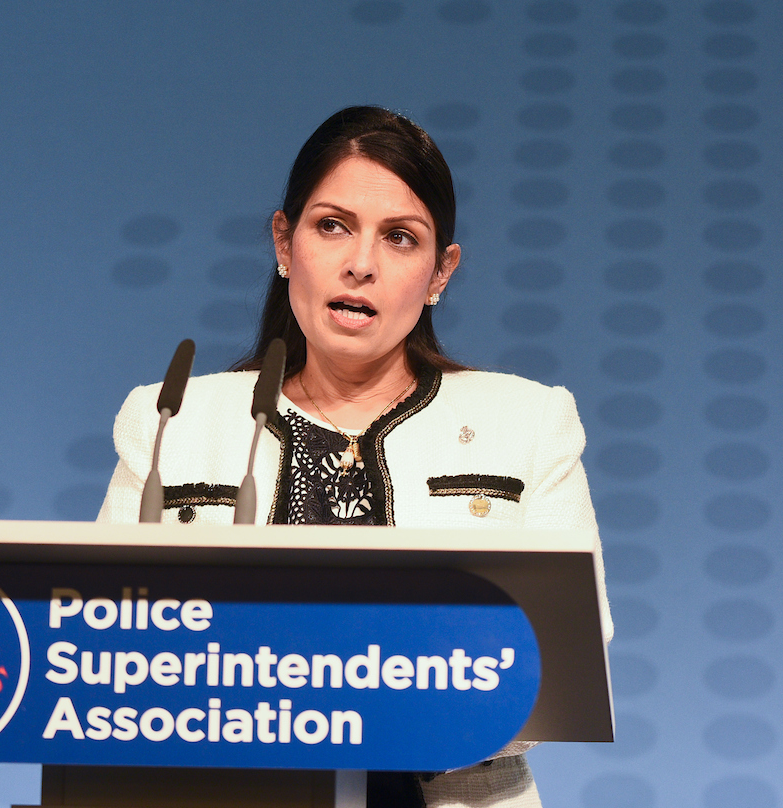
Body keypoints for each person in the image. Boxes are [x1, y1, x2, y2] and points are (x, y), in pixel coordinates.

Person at [99, 106, 612, 808]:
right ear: (285, 242)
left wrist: (337, 704)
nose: (361, 264)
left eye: (400, 238)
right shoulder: (173, 420)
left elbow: (561, 667)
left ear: (440, 272)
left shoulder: (527, 422)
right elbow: (104, 656)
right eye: (332, 226)